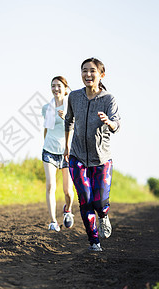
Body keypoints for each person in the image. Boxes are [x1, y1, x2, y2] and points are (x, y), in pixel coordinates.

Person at [64, 58, 120, 251]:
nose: (88, 74)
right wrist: (66, 147)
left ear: (101, 75)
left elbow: (117, 124)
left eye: (92, 71)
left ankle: (104, 216)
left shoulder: (108, 99)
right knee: (85, 199)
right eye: (84, 71)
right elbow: (69, 121)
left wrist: (108, 122)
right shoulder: (74, 96)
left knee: (100, 201)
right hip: (77, 156)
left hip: (102, 159)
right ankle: (94, 241)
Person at [42, 76, 75, 232]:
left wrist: (67, 118)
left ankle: (67, 210)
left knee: (68, 191)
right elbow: (46, 129)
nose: (55, 89)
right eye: (53, 86)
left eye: (59, 86)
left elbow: (77, 128)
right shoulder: (46, 108)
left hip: (66, 152)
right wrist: (45, 144)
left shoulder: (72, 106)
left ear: (65, 88)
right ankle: (53, 221)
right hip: (49, 151)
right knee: (50, 186)